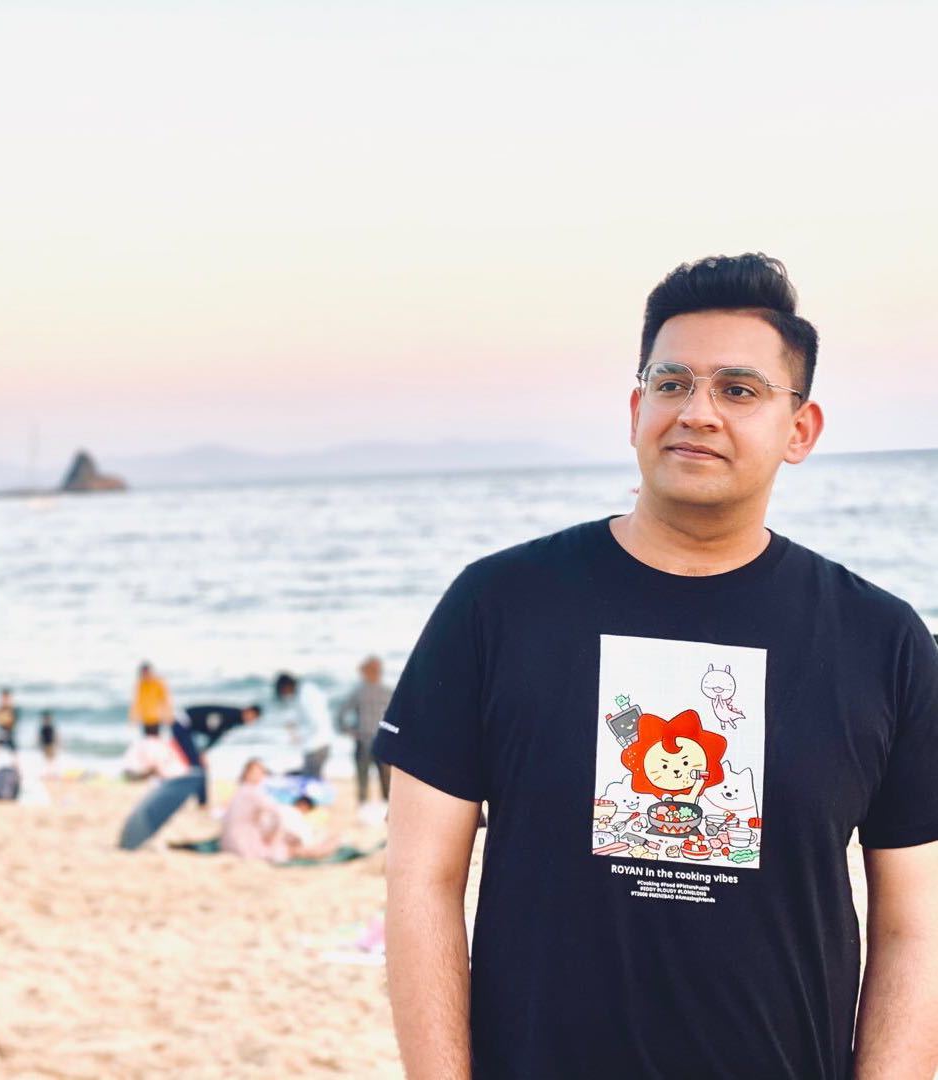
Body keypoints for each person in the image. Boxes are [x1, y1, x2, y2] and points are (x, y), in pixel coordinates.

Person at [374, 254, 938, 1080]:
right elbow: (421, 879)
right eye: (671, 384)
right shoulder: (498, 605)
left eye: (738, 390)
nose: (696, 412)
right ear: (637, 409)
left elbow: (914, 925)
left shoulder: (880, 641)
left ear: (799, 430)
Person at [172, 704, 262, 806]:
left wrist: (203, 750)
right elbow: (214, 731)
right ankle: (201, 800)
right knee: (198, 765)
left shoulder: (233, 717)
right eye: (252, 717)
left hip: (185, 725)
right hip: (182, 724)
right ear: (248, 711)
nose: (251, 721)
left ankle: (200, 799)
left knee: (196, 764)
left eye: (254, 720)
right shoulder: (231, 715)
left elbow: (213, 732)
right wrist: (203, 751)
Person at [336, 656, 393, 803]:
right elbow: (398, 719)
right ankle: (387, 810)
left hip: (363, 740)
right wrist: (392, 735)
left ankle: (364, 807)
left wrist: (350, 731)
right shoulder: (388, 692)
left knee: (363, 781)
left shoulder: (359, 692)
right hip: (383, 741)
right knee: (387, 784)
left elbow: (340, 715)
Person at [220, 757, 292, 862]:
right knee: (284, 848)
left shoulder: (239, 791)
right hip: (244, 846)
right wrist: (273, 836)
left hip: (227, 844)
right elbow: (277, 814)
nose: (260, 776)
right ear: (247, 774)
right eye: (259, 773)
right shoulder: (253, 792)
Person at [274, 673, 332, 778]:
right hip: (322, 742)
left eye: (283, 692)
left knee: (311, 780)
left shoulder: (305, 696)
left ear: (286, 686)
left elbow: (314, 723)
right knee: (313, 778)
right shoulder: (307, 690)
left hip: (316, 745)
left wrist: (298, 736)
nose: (285, 696)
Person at [129, 662, 173, 738]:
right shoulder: (140, 684)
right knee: (148, 739)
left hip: (157, 717)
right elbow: (137, 702)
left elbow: (165, 700)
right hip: (145, 718)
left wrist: (168, 715)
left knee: (156, 739)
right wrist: (133, 717)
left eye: (147, 673)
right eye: (144, 674)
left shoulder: (159, 683)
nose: (146, 675)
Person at [0, 687, 19, 768]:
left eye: (6, 698)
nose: (4, 700)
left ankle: (18, 771)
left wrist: (2, 718)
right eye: (3, 698)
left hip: (9, 734)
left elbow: (12, 722)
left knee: (14, 755)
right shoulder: (0, 708)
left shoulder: (12, 709)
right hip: (1, 734)